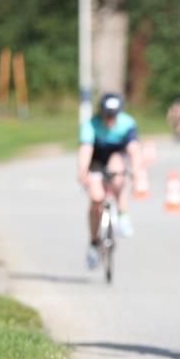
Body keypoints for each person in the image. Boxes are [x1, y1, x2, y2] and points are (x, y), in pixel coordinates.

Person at [77, 94, 143, 268]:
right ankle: (93, 242)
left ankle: (122, 212)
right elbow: (85, 150)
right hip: (96, 160)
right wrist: (83, 172)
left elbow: (134, 150)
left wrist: (136, 171)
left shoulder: (127, 124)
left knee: (118, 172)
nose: (110, 120)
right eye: (107, 115)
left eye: (114, 116)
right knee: (96, 198)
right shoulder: (90, 125)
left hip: (116, 157)